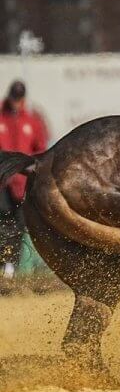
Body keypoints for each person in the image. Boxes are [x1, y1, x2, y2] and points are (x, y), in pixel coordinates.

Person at [0, 80, 48, 277]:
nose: (16, 103)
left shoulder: (32, 120)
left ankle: (10, 268)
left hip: (23, 183)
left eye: (19, 99)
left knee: (19, 224)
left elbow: (40, 149)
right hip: (2, 182)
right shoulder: (1, 117)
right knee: (4, 221)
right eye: (14, 98)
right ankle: (5, 264)